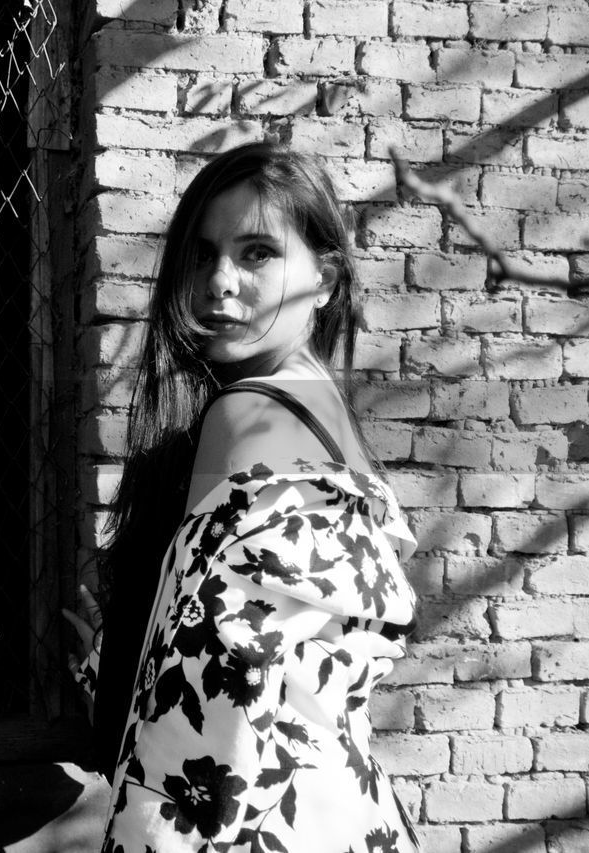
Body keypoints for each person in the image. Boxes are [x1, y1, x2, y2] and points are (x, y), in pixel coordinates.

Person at [62, 142, 421, 853]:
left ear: (325, 276)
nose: (217, 281)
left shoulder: (243, 418)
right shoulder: (327, 415)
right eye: (201, 255)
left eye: (256, 253)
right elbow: (273, 658)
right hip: (351, 813)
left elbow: (203, 723)